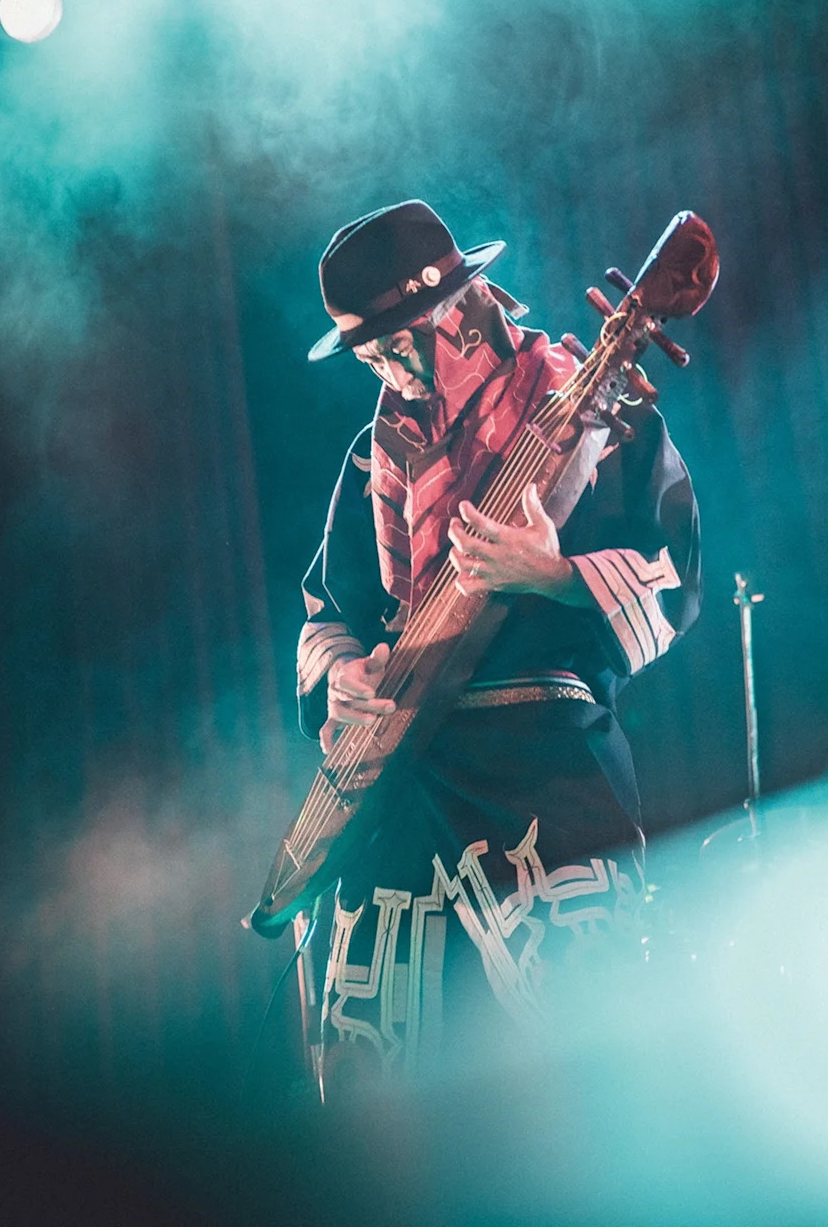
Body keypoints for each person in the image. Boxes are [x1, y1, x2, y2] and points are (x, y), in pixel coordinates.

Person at [295, 199, 701, 1086]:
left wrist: (552, 575)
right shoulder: (373, 457)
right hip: (398, 788)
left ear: (467, 309)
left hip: (543, 769)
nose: (396, 371)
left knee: (586, 1066)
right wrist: (341, 676)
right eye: (373, 356)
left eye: (406, 343)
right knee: (376, 1083)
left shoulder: (587, 409)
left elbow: (677, 578)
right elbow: (330, 612)